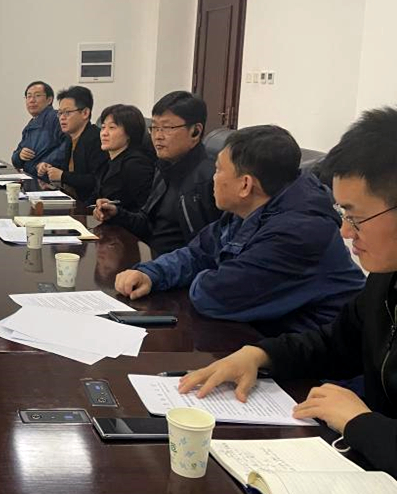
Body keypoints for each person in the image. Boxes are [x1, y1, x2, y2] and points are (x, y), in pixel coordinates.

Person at [179, 108, 397, 476]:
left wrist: (361, 422)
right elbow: (335, 343)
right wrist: (259, 354)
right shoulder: (384, 278)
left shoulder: (306, 231)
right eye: (343, 214)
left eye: (356, 217)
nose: (345, 232)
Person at [114, 125, 364, 336]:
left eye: (218, 170)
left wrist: (209, 272)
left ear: (245, 185)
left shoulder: (299, 232)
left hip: (319, 366)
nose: (212, 178)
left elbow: (216, 296)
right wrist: (152, 273)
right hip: (264, 341)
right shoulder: (252, 209)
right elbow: (199, 252)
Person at [95, 91, 220, 257]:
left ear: (195, 132)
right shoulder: (164, 168)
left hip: (176, 268)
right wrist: (117, 214)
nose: (158, 136)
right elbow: (147, 224)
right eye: (154, 128)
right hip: (153, 260)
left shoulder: (209, 180)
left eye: (167, 128)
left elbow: (207, 251)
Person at [36, 86, 109, 203]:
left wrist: (62, 176)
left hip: (89, 206)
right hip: (71, 201)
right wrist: (49, 170)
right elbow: (69, 174)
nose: (62, 118)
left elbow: (96, 181)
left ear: (85, 113)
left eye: (67, 112)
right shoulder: (69, 138)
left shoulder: (96, 139)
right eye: (60, 113)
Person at [95, 103, 155, 211]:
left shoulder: (136, 165)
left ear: (129, 133)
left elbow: (145, 211)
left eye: (112, 127)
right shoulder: (107, 161)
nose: (104, 133)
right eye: (103, 127)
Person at [11, 81, 64, 176]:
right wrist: (20, 155)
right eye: (29, 96)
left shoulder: (56, 118)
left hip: (47, 177)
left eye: (37, 96)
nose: (32, 100)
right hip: (30, 176)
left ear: (49, 100)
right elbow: (15, 161)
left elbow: (67, 145)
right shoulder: (30, 125)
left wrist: (47, 163)